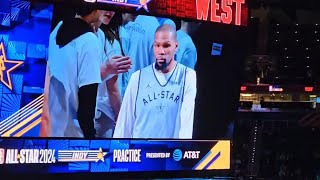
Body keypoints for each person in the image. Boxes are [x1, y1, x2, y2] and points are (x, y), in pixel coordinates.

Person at [44, 3, 131, 138]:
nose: (111, 10)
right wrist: (90, 137)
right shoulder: (89, 40)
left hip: (53, 127)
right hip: (74, 132)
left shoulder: (58, 29)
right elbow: (87, 99)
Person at [113, 24, 197, 139]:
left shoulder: (187, 76)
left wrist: (182, 152)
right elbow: (124, 124)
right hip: (140, 152)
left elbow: (186, 123)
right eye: (157, 45)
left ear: (176, 47)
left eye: (166, 45)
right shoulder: (137, 78)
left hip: (170, 153)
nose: (161, 51)